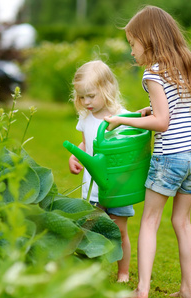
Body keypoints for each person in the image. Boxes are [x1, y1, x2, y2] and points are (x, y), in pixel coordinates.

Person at [104, 6, 191, 298]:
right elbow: (176, 112)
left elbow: (162, 123)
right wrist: (148, 112)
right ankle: (188, 291)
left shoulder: (153, 73)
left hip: (171, 155)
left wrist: (123, 119)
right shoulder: (184, 66)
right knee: (183, 222)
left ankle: (142, 289)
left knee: (150, 221)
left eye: (132, 44)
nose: (132, 52)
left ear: (148, 40)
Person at [68, 60, 134, 283]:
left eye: (91, 96)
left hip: (117, 188)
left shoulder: (121, 118)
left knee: (119, 230)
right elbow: (86, 142)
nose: (86, 102)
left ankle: (123, 272)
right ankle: (91, 270)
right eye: (82, 97)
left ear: (106, 89)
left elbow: (131, 150)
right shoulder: (85, 116)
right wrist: (75, 155)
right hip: (92, 189)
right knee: (91, 230)